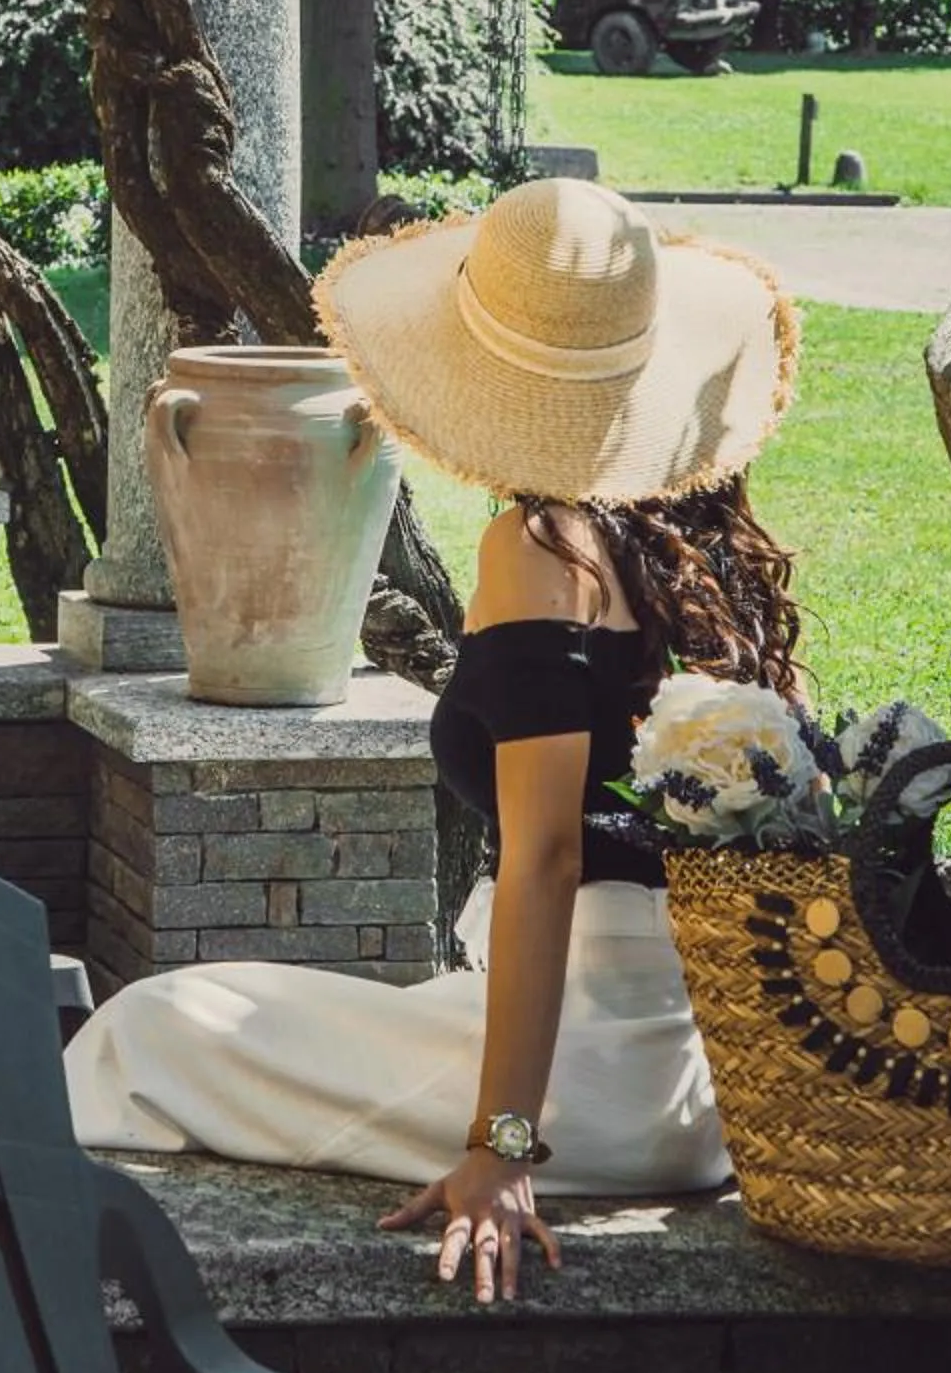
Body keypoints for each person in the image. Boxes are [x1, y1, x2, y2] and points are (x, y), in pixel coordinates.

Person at [65, 174, 803, 1303]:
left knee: (151, 1025)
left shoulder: (541, 545)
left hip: (580, 1090)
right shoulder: (700, 559)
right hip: (690, 1086)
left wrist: (503, 1145)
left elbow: (548, 857)